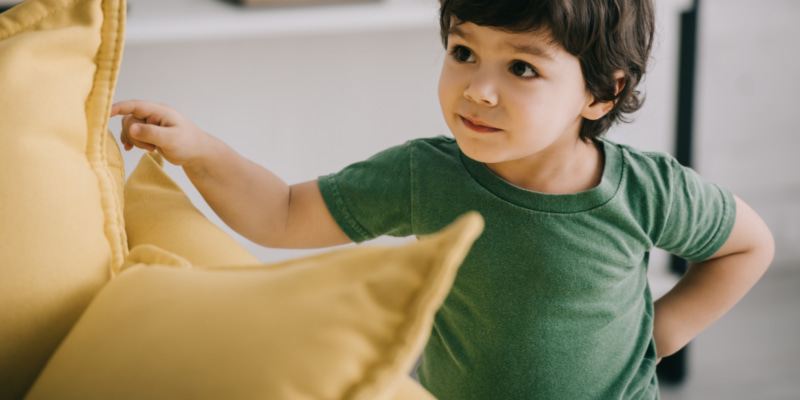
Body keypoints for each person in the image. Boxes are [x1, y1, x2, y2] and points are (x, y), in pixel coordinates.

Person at [110, 0, 775, 398]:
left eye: (520, 67)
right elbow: (283, 215)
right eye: (463, 51)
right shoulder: (427, 176)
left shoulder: (647, 189)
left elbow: (749, 245)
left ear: (600, 93)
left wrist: (658, 336)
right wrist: (201, 149)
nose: (477, 90)